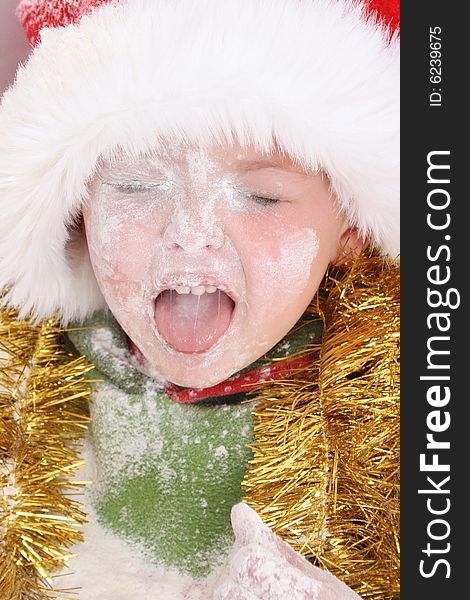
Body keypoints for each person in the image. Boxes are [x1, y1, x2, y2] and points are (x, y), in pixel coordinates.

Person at [0, 1, 400, 599]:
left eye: (262, 196)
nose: (190, 233)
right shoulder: (23, 374)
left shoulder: (409, 399)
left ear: (351, 226)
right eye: (136, 185)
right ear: (76, 207)